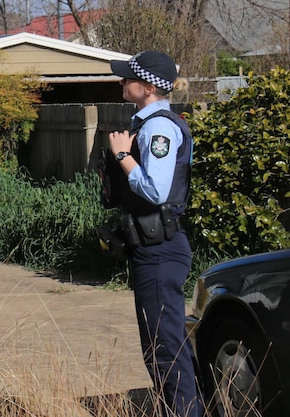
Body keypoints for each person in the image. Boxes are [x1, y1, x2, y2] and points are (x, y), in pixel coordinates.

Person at [106, 51, 203, 417]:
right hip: (155, 247)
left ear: (147, 87)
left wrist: (121, 156)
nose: (121, 82)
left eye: (127, 78)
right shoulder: (148, 123)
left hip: (160, 250)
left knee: (164, 350)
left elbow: (155, 190)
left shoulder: (157, 128)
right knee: (166, 345)